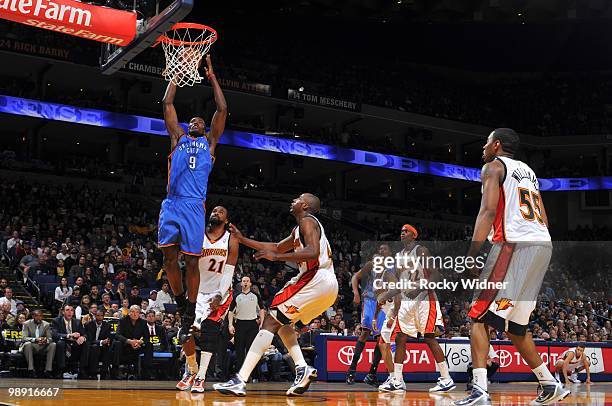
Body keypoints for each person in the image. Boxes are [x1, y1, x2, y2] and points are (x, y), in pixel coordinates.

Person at [454, 128, 569, 406]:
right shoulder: (528, 171)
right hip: (542, 245)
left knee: (478, 316)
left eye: (486, 142)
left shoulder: (492, 166)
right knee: (515, 327)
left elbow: (488, 211)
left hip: (513, 246)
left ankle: (480, 391)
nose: (482, 147)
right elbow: (542, 215)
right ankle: (549, 383)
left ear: (496, 145)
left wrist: (471, 254)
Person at [214, 193, 338, 397]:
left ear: (305, 205)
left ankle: (240, 379)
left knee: (270, 321)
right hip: (326, 285)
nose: (293, 201)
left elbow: (312, 252)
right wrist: (242, 239)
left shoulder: (307, 221)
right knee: (282, 324)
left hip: (315, 277)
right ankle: (302, 367)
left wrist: (278, 258)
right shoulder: (299, 228)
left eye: (297, 199)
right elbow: (276, 247)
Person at [158, 54, 227, 337]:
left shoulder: (210, 144)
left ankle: (190, 306)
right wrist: (177, 72)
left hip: (194, 206)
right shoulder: (178, 139)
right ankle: (179, 301)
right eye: (193, 120)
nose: (195, 121)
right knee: (168, 259)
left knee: (192, 262)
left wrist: (211, 76)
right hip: (172, 203)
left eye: (200, 120)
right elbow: (167, 103)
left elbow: (222, 109)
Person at [377, 225, 455, 394]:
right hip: (406, 302)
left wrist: (419, 288)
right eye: (401, 231)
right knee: (399, 338)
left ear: (413, 235)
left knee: (429, 337)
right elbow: (400, 284)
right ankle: (397, 381)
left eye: (406, 231)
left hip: (425, 299)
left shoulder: (421, 250)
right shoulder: (399, 256)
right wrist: (386, 294)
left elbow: (435, 275)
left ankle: (446, 378)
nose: (402, 233)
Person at [176, 206, 238, 392]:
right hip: (196, 291)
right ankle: (191, 370)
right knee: (184, 334)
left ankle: (201, 377)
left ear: (226, 220)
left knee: (209, 333)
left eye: (220, 212)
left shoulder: (230, 239)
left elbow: (229, 270)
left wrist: (220, 294)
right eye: (214, 210)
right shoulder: (198, 234)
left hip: (219, 291)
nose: (216, 212)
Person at [346, 243, 392, 386]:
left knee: (381, 338)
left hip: (382, 303)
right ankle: (351, 371)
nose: (381, 251)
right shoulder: (372, 263)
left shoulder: (392, 267)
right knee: (365, 333)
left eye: (384, 249)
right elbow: (355, 277)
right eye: (380, 249)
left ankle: (372, 373)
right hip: (369, 300)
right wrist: (355, 293)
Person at [227, 275, 265, 381]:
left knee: (250, 351)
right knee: (239, 351)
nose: (245, 283)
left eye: (247, 281)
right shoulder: (236, 296)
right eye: (243, 281)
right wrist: (230, 325)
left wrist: (261, 323)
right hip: (239, 324)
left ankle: (251, 375)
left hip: (252, 325)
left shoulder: (256, 295)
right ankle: (240, 375)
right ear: (241, 283)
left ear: (250, 284)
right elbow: (230, 311)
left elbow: (261, 309)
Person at [111, 305, 153, 379]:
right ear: (129, 312)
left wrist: (140, 342)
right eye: (133, 312)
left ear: (139, 313)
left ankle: (146, 372)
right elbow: (117, 335)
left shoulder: (143, 322)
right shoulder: (123, 320)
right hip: (125, 344)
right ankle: (116, 371)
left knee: (149, 345)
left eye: (137, 312)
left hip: (137, 345)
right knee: (117, 343)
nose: (135, 314)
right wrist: (129, 341)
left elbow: (147, 337)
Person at [52, 304, 89, 378]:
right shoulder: (56, 321)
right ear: (63, 312)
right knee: (60, 343)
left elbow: (85, 334)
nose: (70, 312)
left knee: (85, 344)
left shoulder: (78, 322)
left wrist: (82, 337)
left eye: (72, 310)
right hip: (63, 342)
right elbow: (55, 334)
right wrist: (69, 335)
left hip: (74, 343)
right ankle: (61, 370)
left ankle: (82, 369)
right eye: (67, 310)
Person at [21, 310, 56, 378]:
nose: (39, 317)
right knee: (27, 344)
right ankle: (31, 370)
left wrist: (45, 340)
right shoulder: (26, 324)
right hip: (32, 346)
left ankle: (48, 370)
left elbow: (50, 339)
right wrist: (35, 340)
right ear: (33, 316)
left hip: (42, 346)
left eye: (40, 316)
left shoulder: (46, 324)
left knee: (53, 344)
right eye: (37, 316)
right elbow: (24, 338)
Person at [84, 309, 113, 378]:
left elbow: (110, 336)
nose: (99, 318)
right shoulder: (88, 324)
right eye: (98, 316)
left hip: (103, 346)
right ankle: (93, 372)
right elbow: (90, 339)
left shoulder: (107, 325)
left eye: (101, 316)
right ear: (94, 316)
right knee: (95, 347)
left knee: (108, 349)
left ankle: (104, 372)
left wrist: (108, 340)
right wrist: (101, 342)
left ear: (103, 316)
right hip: (91, 346)